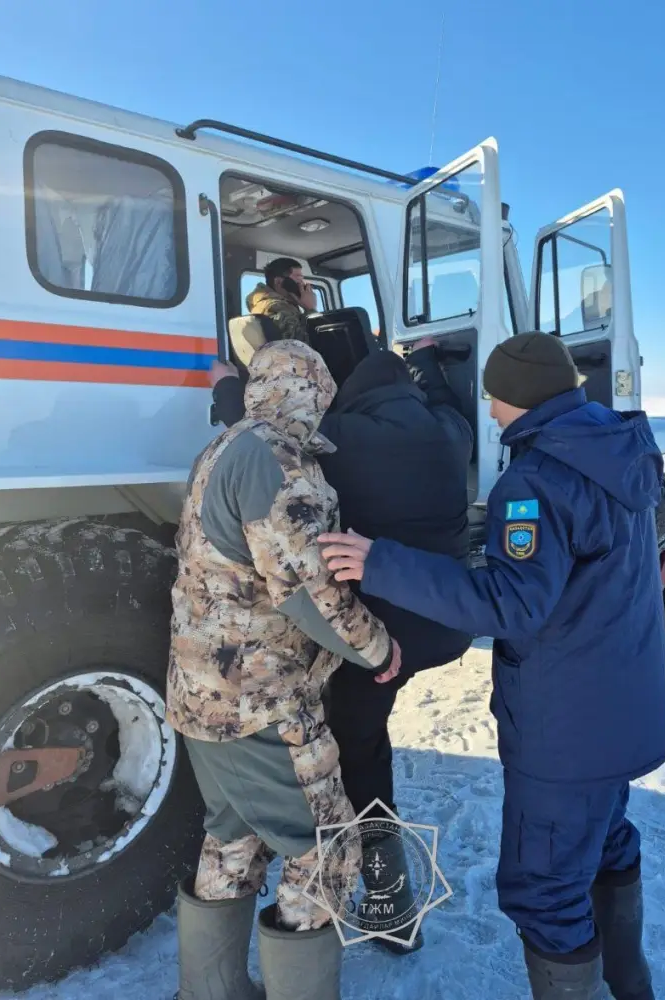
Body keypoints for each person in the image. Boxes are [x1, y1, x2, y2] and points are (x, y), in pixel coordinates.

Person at [319, 332, 665, 1000]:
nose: (490, 409)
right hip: (621, 711)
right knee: (606, 845)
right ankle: (632, 985)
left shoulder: (534, 484)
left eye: (494, 396)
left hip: (568, 732)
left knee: (544, 893)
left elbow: (511, 606)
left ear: (513, 398)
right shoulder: (618, 449)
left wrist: (381, 562)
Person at [209, 337, 474, 954]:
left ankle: (391, 908)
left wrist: (227, 385)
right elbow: (443, 396)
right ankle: (390, 906)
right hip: (446, 625)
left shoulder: (339, 440)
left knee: (358, 754)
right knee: (366, 740)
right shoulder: (450, 429)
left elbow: (260, 432)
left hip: (380, 639)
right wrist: (427, 361)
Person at [166, 340, 400, 1000]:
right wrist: (380, 648)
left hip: (198, 699)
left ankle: (208, 993)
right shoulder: (277, 457)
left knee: (233, 839)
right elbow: (312, 594)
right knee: (326, 848)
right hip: (262, 705)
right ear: (310, 395)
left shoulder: (217, 450)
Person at [244, 256, 319, 343]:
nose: (302, 284)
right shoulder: (277, 308)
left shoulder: (264, 304)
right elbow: (302, 346)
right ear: (278, 282)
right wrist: (310, 309)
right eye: (298, 278)